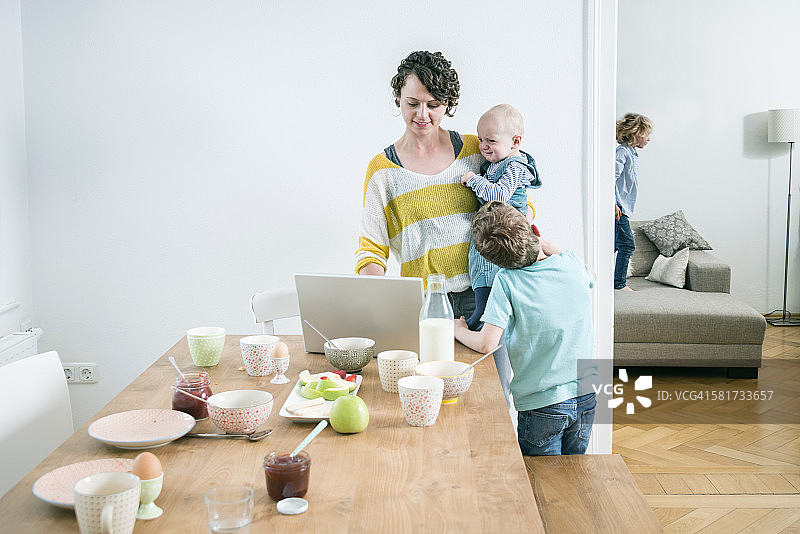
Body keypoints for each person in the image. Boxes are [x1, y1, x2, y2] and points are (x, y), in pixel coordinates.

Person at [354, 50, 514, 404]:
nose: (422, 115)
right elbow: (371, 245)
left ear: (448, 104)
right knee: (429, 398)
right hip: (426, 305)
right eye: (412, 103)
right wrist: (378, 300)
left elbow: (519, 203)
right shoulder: (381, 169)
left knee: (493, 403)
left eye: (433, 104)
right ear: (398, 98)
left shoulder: (478, 150)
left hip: (484, 295)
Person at [454, 201, 597, 455]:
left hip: (543, 405)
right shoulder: (571, 263)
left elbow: (487, 343)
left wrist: (456, 329)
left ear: (494, 261)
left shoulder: (507, 280)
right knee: (573, 474)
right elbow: (591, 277)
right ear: (535, 231)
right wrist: (546, 244)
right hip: (588, 394)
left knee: (542, 479)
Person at [460, 104, 541, 330]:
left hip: (502, 228)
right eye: (481, 139)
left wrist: (473, 179)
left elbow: (500, 196)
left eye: (491, 141)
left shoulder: (514, 165)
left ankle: (483, 313)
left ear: (515, 142)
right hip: (496, 224)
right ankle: (484, 310)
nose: (483, 146)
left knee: (488, 263)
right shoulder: (499, 163)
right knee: (481, 262)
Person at [614, 113, 653, 291]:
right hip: (618, 208)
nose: (649, 139)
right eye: (646, 134)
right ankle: (619, 284)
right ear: (635, 133)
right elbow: (610, 178)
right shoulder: (622, 152)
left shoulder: (632, 153)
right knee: (627, 245)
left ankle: (606, 278)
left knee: (614, 245)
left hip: (624, 208)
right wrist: (612, 203)